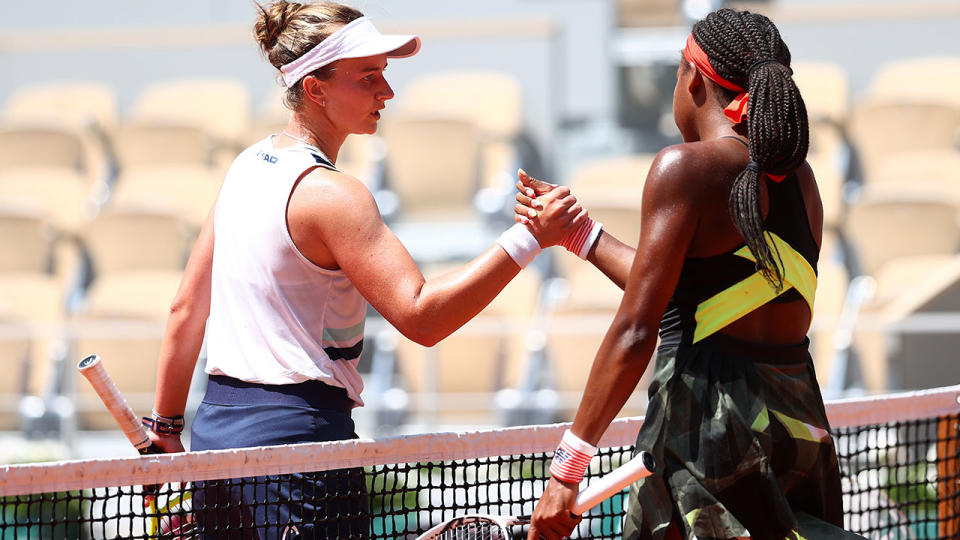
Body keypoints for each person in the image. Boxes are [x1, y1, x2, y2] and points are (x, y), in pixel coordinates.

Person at [142, 1, 589, 538]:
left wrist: (166, 425)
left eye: (384, 74)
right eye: (368, 76)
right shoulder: (334, 195)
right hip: (300, 451)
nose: (387, 92)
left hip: (214, 435)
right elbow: (422, 318)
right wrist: (530, 238)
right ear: (316, 89)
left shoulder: (244, 167)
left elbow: (186, 308)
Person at [518, 8, 865, 540]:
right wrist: (580, 234)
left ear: (696, 80)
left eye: (679, 69)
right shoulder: (802, 180)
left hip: (709, 431)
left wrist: (567, 470)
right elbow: (706, 295)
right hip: (797, 425)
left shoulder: (683, 168)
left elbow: (638, 328)